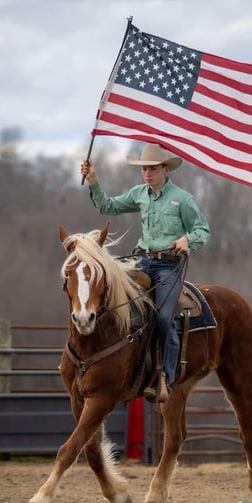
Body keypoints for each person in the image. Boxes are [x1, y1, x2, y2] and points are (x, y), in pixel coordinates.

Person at [80, 142, 210, 402]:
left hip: (168, 266)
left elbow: (203, 231)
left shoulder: (182, 199)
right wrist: (93, 180)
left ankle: (167, 377)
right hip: (141, 261)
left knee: (163, 316)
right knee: (114, 302)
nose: (147, 174)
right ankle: (114, 364)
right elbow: (108, 207)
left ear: (164, 169)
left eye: (152, 169)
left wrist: (187, 240)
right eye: (144, 170)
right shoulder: (139, 194)